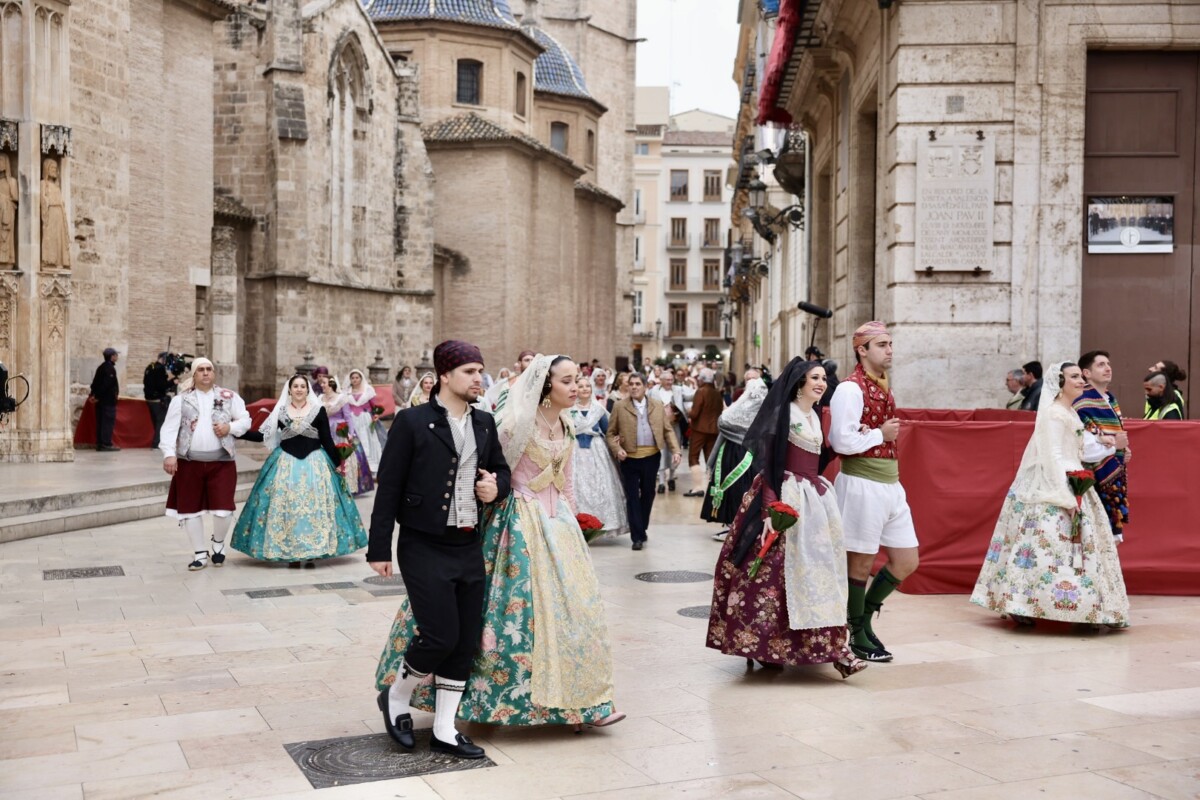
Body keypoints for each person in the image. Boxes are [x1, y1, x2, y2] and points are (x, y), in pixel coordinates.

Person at [375, 353, 626, 735]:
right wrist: (494, 493)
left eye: (578, 380)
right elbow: (497, 470)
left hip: (557, 529)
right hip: (516, 527)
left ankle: (583, 702)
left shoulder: (566, 423)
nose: (576, 387)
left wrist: (572, 523)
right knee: (502, 623)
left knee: (573, 618)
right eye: (568, 380)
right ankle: (461, 701)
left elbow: (560, 480)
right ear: (545, 388)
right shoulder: (514, 425)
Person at [369, 340, 511, 759]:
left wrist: (495, 488)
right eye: (470, 371)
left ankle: (446, 728)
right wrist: (380, 548)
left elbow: (501, 470)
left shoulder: (484, 422)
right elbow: (389, 487)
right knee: (439, 635)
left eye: (480, 370)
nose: (478, 378)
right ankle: (396, 697)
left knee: (464, 640)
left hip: (469, 544)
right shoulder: (412, 422)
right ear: (445, 376)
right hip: (422, 544)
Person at [707, 359, 868, 678]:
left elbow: (817, 456)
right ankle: (768, 646)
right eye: (814, 378)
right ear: (798, 383)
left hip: (816, 499)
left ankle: (834, 647)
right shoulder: (785, 414)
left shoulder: (816, 415)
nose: (821, 384)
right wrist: (770, 512)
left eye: (824, 378)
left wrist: (848, 442)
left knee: (821, 574)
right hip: (786, 497)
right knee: (777, 577)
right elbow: (769, 466)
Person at [971, 361, 1129, 627]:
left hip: (1075, 478)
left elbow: (1079, 451)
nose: (1081, 381)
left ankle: (1087, 606)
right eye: (1075, 377)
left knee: (1078, 549)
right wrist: (1064, 496)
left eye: (1081, 376)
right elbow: (1053, 455)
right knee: (1044, 546)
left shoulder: (1071, 414)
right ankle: (1024, 604)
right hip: (1057, 483)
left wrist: (1107, 446)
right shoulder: (1055, 413)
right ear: (1060, 383)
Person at [828, 321, 917, 663]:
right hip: (862, 483)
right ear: (861, 350)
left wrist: (881, 436)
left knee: (907, 560)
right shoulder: (850, 390)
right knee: (860, 563)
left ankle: (861, 620)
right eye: (881, 344)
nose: (889, 350)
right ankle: (856, 632)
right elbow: (841, 441)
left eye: (890, 344)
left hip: (891, 484)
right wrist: (881, 435)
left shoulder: (882, 385)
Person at [230, 374, 368, 567]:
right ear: (290, 389)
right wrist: (233, 430)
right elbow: (263, 435)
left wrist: (337, 462)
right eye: (296, 386)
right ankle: (290, 551)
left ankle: (312, 551)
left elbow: (327, 440)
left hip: (315, 462)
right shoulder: (280, 411)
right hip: (285, 462)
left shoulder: (318, 410)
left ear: (307, 389)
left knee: (314, 505)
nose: (299, 389)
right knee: (286, 504)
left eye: (303, 386)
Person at [160, 357, 251, 570]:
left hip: (221, 462)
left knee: (224, 510)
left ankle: (218, 543)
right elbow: (169, 428)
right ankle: (200, 553)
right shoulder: (181, 400)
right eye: (200, 369)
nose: (205, 373)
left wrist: (230, 428)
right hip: (189, 463)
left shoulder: (229, 397)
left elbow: (246, 420)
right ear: (194, 374)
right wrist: (168, 454)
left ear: (214, 373)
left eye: (209, 369)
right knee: (190, 510)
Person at [607, 373, 681, 551]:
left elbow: (667, 430)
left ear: (645, 386)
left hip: (651, 456)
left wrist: (676, 450)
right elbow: (610, 434)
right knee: (632, 496)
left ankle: (642, 525)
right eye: (631, 384)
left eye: (637, 384)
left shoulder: (656, 405)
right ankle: (637, 536)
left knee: (648, 493)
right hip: (629, 458)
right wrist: (618, 450)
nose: (634, 387)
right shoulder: (619, 406)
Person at [701, 376, 768, 541]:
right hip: (752, 455)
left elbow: (723, 421)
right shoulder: (765, 409)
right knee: (743, 490)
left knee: (736, 491)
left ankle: (735, 525)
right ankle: (740, 525)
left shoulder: (741, 408)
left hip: (735, 454)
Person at [1074, 350, 1130, 539]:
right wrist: (1116, 448)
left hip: (1111, 477)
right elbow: (1083, 447)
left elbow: (1112, 436)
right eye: (1101, 364)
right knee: (1094, 536)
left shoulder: (1110, 399)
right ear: (1086, 373)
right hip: (1091, 479)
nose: (1108, 368)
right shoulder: (1081, 402)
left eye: (1108, 364)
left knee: (1107, 536)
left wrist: (1122, 452)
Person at [570, 374, 629, 539]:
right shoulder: (568, 410)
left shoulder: (599, 410)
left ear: (591, 389)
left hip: (596, 451)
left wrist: (618, 444)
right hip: (575, 452)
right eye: (580, 386)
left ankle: (603, 524)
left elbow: (608, 430)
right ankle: (579, 526)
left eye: (587, 386)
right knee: (577, 486)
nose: (584, 389)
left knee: (602, 485)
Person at [314, 368, 375, 497]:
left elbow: (348, 417)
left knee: (343, 460)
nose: (322, 385)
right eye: (321, 383)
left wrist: (350, 433)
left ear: (331, 384)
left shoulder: (342, 398)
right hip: (324, 432)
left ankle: (344, 485)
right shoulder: (319, 398)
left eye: (324, 382)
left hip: (340, 432)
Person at [651, 370, 693, 493]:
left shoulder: (678, 390)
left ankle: (671, 478)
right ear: (661, 380)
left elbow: (689, 397)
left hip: (675, 426)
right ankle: (662, 482)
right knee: (661, 452)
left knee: (675, 451)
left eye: (671, 379)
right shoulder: (653, 391)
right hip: (659, 427)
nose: (670, 382)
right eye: (667, 380)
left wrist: (700, 391)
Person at [685, 368, 723, 497]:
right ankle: (711, 487)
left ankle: (697, 487)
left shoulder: (700, 392)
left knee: (693, 456)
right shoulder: (717, 393)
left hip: (699, 430)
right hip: (714, 431)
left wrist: (687, 411)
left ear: (701, 379)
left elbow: (694, 414)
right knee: (710, 459)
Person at [345, 368, 383, 474]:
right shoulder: (347, 392)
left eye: (357, 377)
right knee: (355, 441)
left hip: (365, 419)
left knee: (368, 440)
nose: (355, 380)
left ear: (361, 378)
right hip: (352, 420)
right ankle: (356, 465)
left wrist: (376, 414)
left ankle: (371, 466)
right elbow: (344, 407)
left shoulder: (368, 390)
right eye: (353, 378)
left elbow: (374, 405)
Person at [89, 347, 121, 452]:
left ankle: (100, 443)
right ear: (112, 356)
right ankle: (106, 443)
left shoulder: (101, 367)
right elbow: (106, 385)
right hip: (107, 401)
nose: (117, 356)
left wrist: (93, 395)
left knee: (101, 422)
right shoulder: (109, 368)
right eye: (116, 355)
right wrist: (97, 396)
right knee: (107, 422)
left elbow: (95, 383)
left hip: (101, 401)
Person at [484, 349, 535, 413]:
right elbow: (492, 397)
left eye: (533, 360)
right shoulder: (511, 382)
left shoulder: (543, 380)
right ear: (519, 363)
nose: (531, 362)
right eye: (527, 360)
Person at [143, 352, 176, 449]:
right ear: (163, 359)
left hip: (149, 399)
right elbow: (161, 386)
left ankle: (157, 442)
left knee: (156, 421)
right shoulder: (160, 369)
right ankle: (157, 443)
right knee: (161, 422)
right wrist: (172, 382)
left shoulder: (150, 366)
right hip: (157, 399)